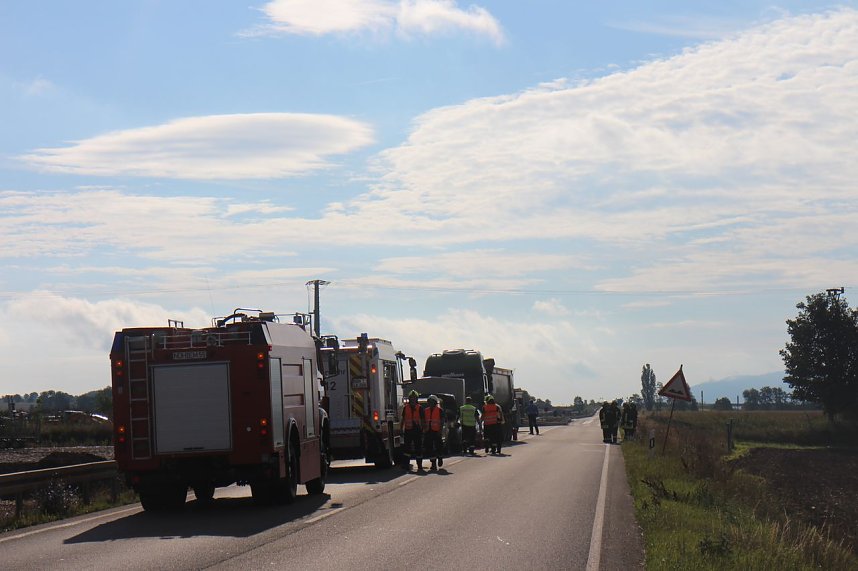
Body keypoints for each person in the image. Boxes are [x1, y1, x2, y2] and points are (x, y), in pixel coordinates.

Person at [401, 390, 423, 471]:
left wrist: (423, 430)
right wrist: (401, 429)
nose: (413, 400)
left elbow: (423, 420)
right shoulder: (405, 408)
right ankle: (406, 464)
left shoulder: (420, 408)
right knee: (407, 449)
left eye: (414, 398)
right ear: (409, 399)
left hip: (417, 430)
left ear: (416, 399)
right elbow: (403, 419)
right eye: (411, 398)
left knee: (418, 448)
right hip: (408, 430)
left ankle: (419, 465)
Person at [422, 395, 444, 471]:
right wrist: (424, 430)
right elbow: (424, 421)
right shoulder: (425, 410)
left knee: (439, 446)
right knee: (429, 448)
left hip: (436, 431)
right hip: (428, 431)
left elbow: (442, 421)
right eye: (429, 401)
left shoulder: (440, 410)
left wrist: (440, 431)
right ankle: (433, 464)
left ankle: (440, 457)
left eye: (432, 402)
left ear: (435, 402)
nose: (430, 403)